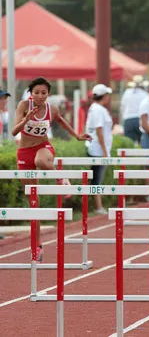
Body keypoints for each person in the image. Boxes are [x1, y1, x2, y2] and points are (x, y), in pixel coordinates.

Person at [12, 76, 91, 262]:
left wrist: (78, 136)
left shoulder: (51, 109)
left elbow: (61, 121)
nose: (40, 96)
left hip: (43, 149)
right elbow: (14, 131)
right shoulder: (24, 106)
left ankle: (61, 178)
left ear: (48, 94)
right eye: (36, 92)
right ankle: (37, 246)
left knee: (42, 160)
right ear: (31, 94)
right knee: (33, 203)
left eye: (43, 93)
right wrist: (26, 120)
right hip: (24, 153)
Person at [85, 84, 114, 215]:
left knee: (97, 178)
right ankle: (98, 206)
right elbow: (99, 130)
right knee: (97, 178)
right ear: (105, 96)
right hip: (98, 150)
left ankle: (98, 205)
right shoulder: (97, 110)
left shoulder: (97, 109)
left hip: (99, 148)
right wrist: (104, 151)